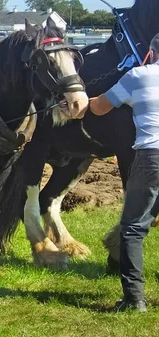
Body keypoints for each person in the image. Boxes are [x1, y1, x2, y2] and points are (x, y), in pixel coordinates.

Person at [88, 32, 159, 313]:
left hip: (151, 156)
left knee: (132, 229)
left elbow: (101, 107)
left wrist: (86, 101)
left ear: (151, 54)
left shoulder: (138, 76)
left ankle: (134, 299)